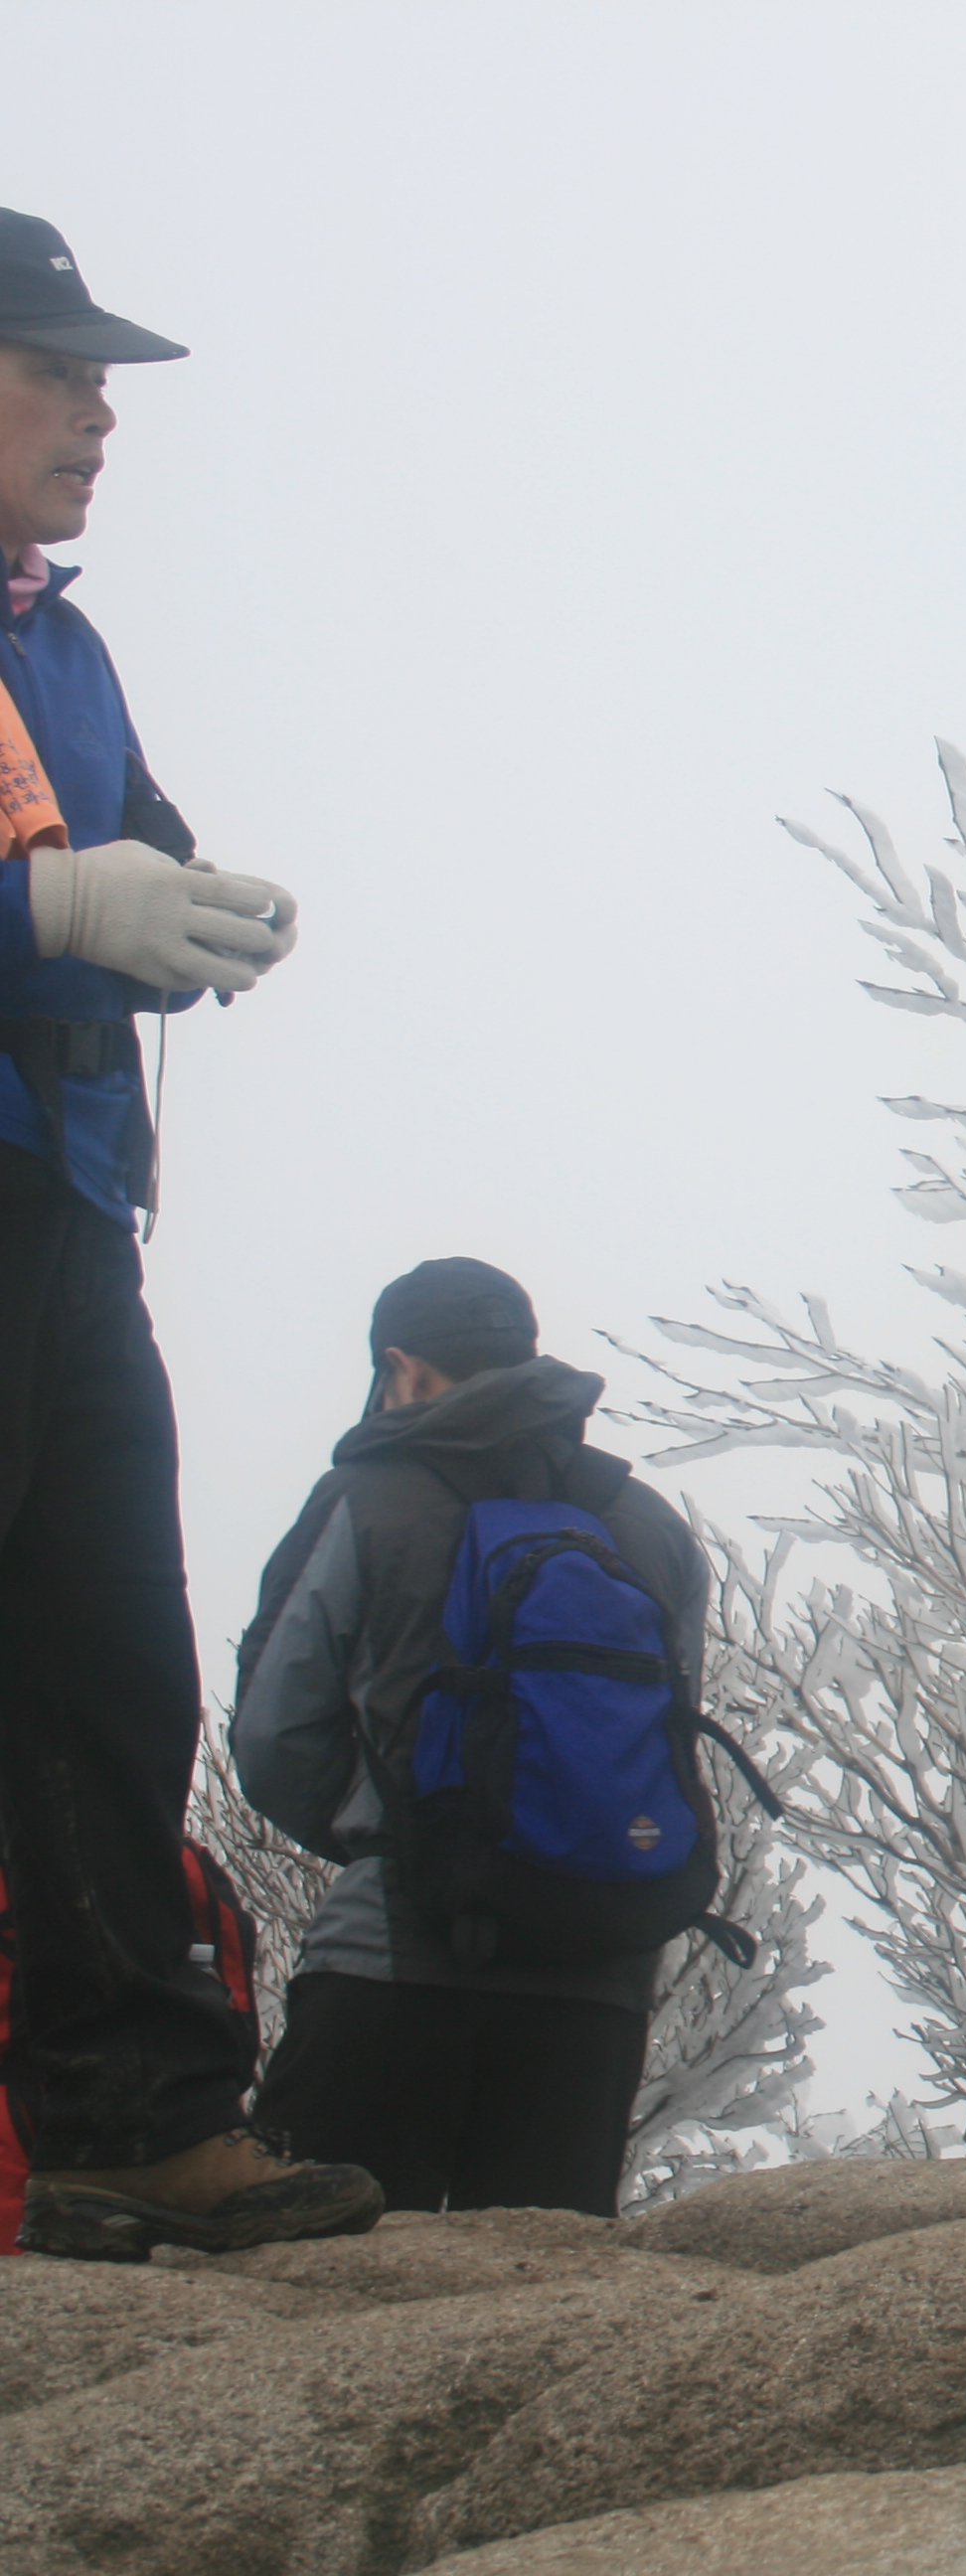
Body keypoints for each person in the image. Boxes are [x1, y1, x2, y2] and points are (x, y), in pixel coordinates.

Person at [0, 210, 366, 2261]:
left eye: (99, 376)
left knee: (106, 1664)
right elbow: (54, 895)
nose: (99, 412)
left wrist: (184, 911)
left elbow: (130, 841)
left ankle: (135, 2120)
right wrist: (54, 912)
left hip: (64, 1193)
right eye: (54, 369)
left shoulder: (54, 635)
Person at [231, 1260, 708, 2218]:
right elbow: (669, 1734)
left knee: (308, 2286)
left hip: (392, 1960)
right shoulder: (646, 1522)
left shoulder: (368, 1495)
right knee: (541, 2290)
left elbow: (277, 1733)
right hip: (598, 1978)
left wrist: (411, 1843)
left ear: (401, 1367)